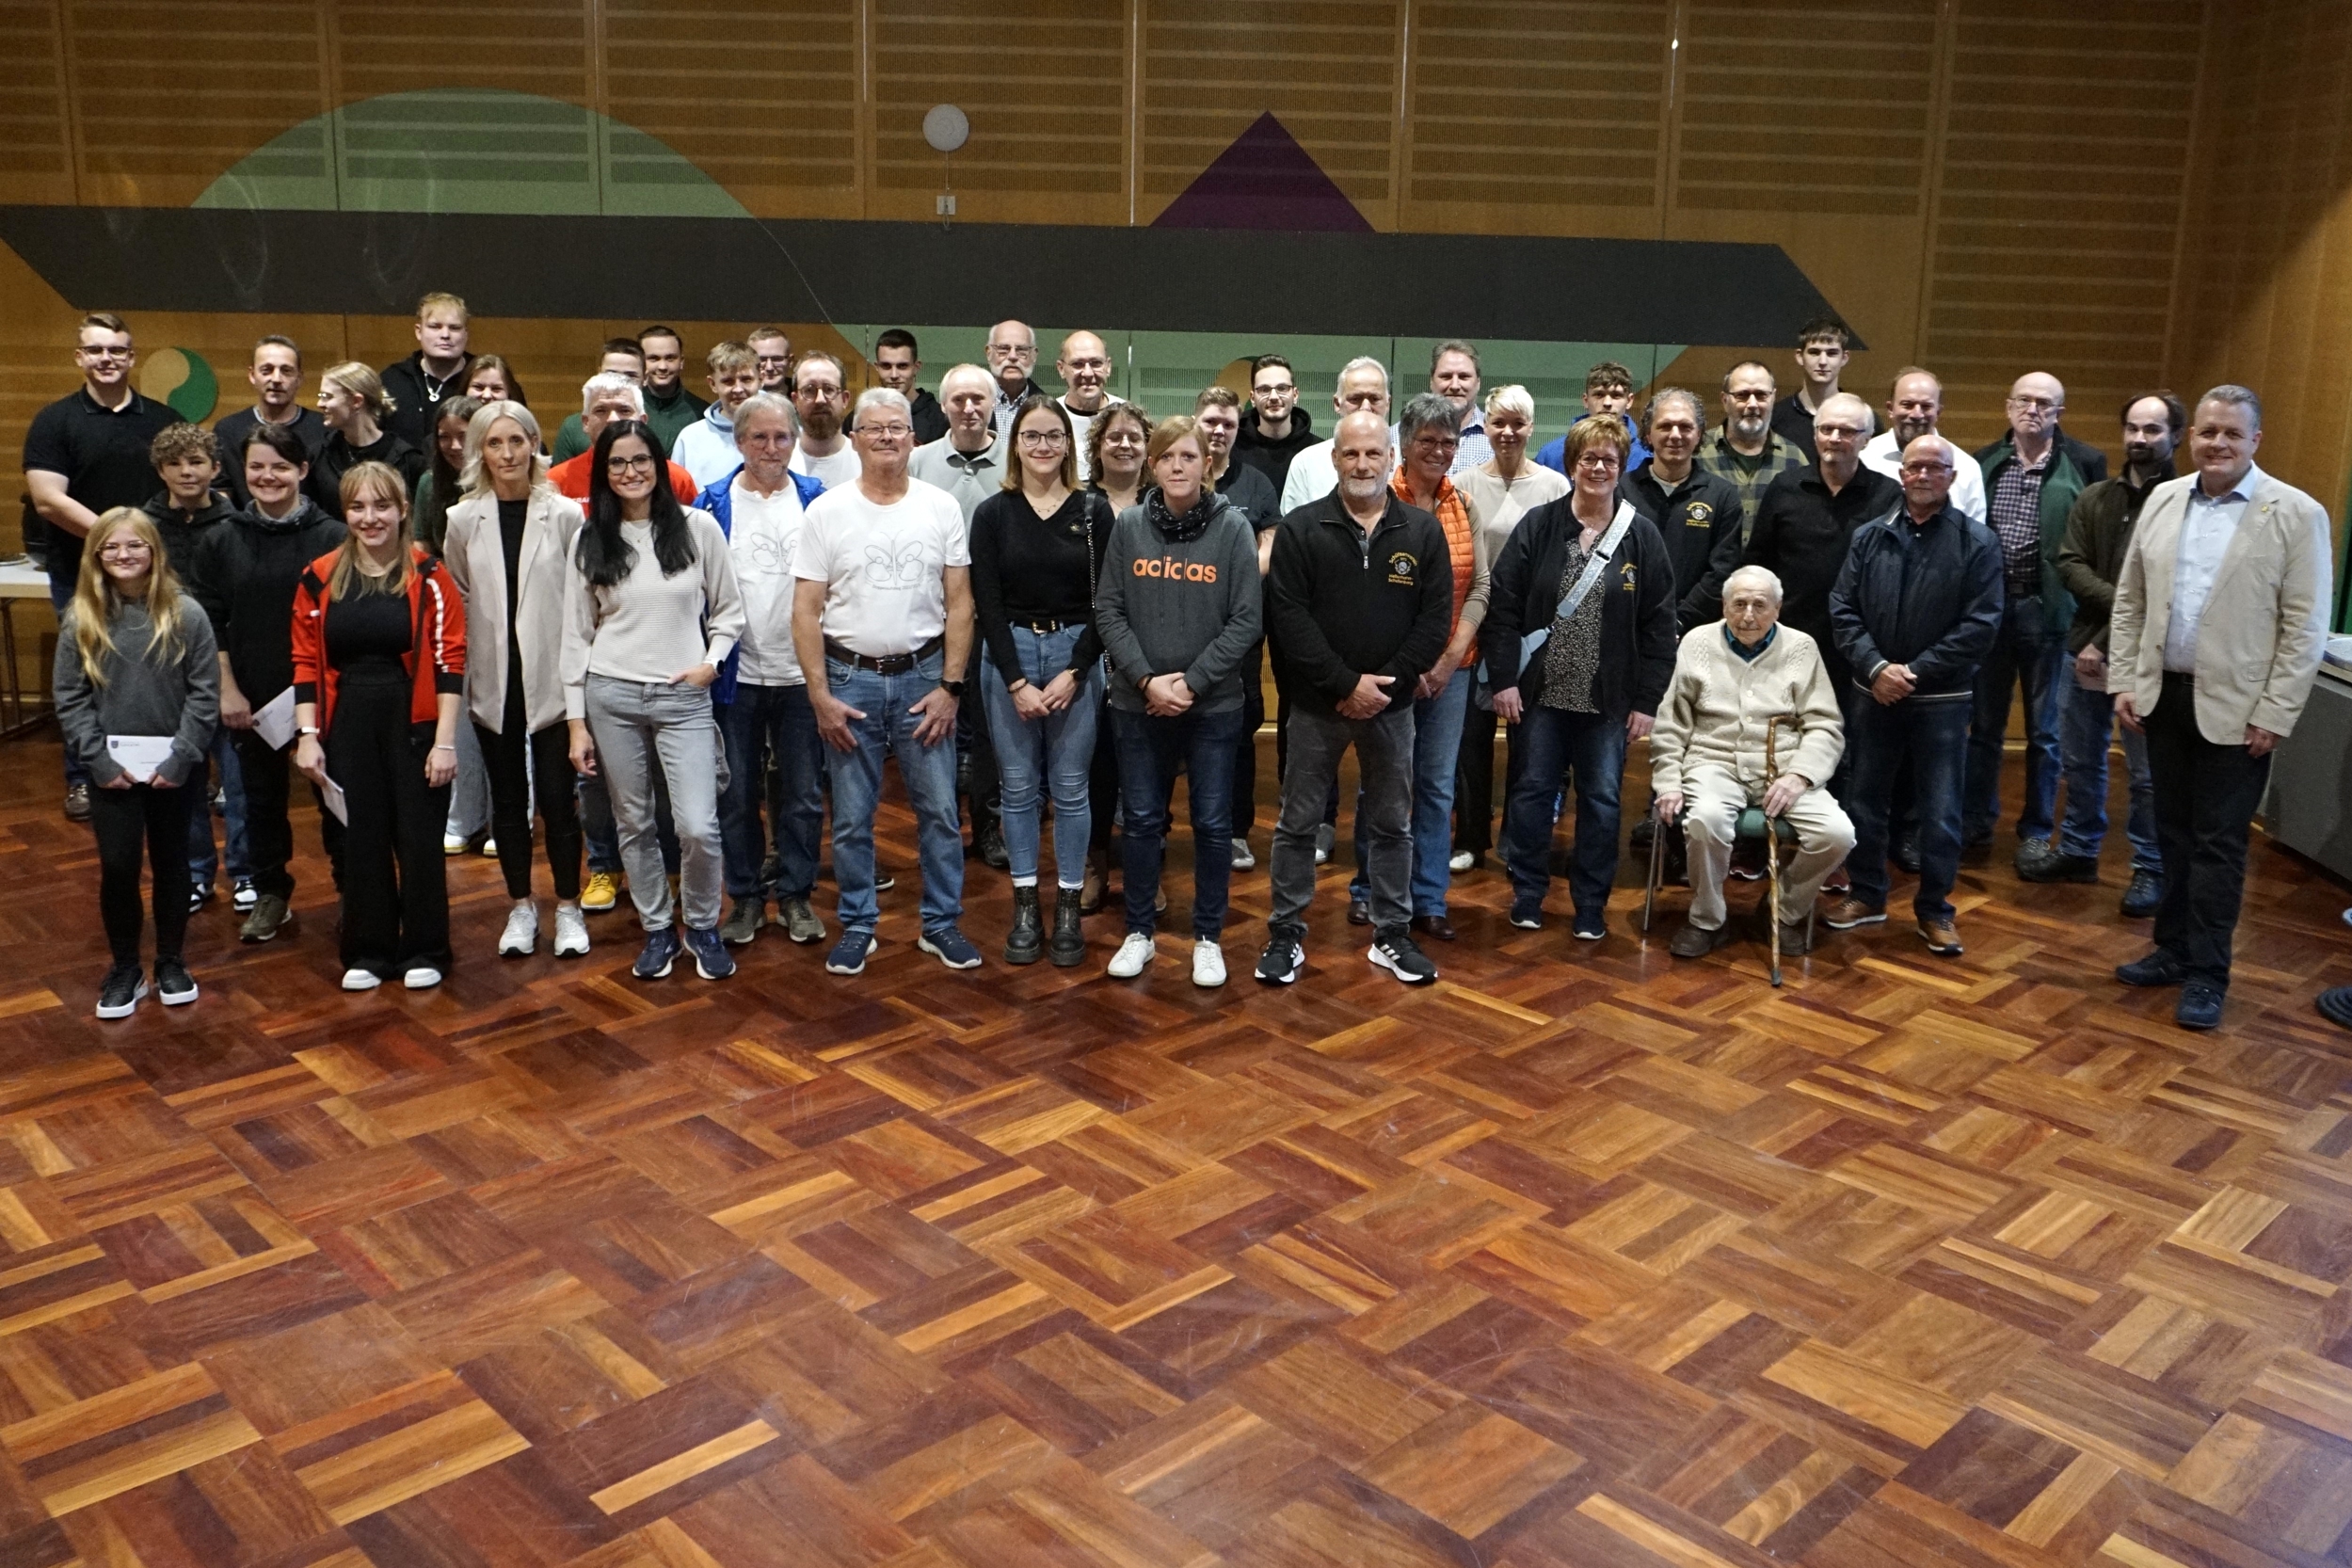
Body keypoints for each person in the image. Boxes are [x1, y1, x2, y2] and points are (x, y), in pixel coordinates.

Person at [2109, 386, 2331, 1032]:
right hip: (2162, 698)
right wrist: (2124, 677)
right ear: (2191, 437)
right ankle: (2171, 951)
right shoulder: (2162, 499)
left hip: (2238, 714)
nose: (2217, 443)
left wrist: (2275, 712)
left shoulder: (2295, 514)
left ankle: (2208, 973)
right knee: (2170, 835)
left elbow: (2303, 628)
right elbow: (2130, 601)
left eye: (2231, 434)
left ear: (2254, 440)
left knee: (2218, 846)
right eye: (2207, 432)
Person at [1258, 411, 1450, 984]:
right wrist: (1345, 685)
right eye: (1351, 455)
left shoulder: (1421, 531)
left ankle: (1392, 933)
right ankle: (1286, 934)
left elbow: (1434, 619)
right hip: (1319, 707)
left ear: (1390, 458)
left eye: (1373, 454)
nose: (1362, 465)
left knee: (1392, 824)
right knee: (1297, 824)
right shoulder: (1300, 529)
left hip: (1392, 709)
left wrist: (1381, 685)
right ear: (1335, 459)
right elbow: (1288, 619)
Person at [792, 387, 979, 974]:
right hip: (851, 681)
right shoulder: (826, 511)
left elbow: (960, 603)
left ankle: (941, 923)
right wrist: (820, 695)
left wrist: (951, 688)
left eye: (896, 428)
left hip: (925, 678)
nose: (886, 438)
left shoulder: (940, 507)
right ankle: (858, 924)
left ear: (913, 437)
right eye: (873, 429)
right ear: (855, 438)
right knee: (851, 818)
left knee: (941, 813)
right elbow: (804, 611)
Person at [563, 419, 744, 983]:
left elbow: (730, 610)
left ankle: (704, 925)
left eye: (641, 460)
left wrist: (710, 664)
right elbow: (576, 634)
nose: (630, 472)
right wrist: (576, 722)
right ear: (603, 473)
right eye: (617, 463)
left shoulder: (699, 528)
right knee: (633, 821)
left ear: (659, 465)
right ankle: (658, 929)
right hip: (611, 693)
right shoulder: (589, 536)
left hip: (682, 696)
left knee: (697, 825)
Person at [1486, 415, 1677, 939]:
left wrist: (1648, 701)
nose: (1597, 467)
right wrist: (1503, 680)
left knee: (1602, 801)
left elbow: (1660, 624)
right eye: (1588, 458)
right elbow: (1503, 608)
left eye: (1608, 460)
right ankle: (1527, 893)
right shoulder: (1539, 525)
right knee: (1530, 795)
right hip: (1540, 696)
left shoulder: (1642, 536)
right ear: (1572, 465)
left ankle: (1590, 903)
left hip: (1608, 703)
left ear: (1622, 468)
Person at [1096, 416, 1261, 985]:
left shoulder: (1233, 529)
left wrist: (1190, 684)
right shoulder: (1130, 527)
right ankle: (1139, 932)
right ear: (1153, 465)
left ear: (1206, 464)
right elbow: (1109, 611)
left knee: (1214, 825)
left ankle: (1207, 937)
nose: (1177, 466)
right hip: (1138, 704)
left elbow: (1245, 622)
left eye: (1188, 456)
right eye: (1166, 457)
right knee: (1141, 821)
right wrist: (1146, 681)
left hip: (1212, 707)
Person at [1823, 435, 2003, 956]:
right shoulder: (1870, 536)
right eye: (1914, 467)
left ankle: (1935, 910)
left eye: (1934, 468)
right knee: (1864, 801)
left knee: (1941, 809)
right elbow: (1843, 608)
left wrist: (1914, 673)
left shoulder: (1978, 543)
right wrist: (1878, 668)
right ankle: (1868, 895)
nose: (1923, 475)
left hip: (1941, 702)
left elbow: (1981, 625)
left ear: (1952, 476)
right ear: (1901, 474)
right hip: (1872, 693)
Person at [290, 463, 466, 990]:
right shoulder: (318, 576)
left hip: (414, 725)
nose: (370, 518)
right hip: (347, 725)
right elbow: (303, 660)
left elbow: (449, 661)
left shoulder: (431, 575)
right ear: (345, 513)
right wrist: (307, 736)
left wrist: (445, 743)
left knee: (418, 842)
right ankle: (368, 952)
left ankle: (426, 949)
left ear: (402, 509)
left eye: (381, 506)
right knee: (359, 840)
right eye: (358, 507)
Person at [441, 400, 592, 962]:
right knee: (508, 803)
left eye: (516, 441)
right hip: (492, 681)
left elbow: (579, 602)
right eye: (494, 443)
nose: (506, 453)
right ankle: (521, 906)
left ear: (534, 444)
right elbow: (458, 597)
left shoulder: (564, 515)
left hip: (552, 676)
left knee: (557, 799)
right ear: (479, 450)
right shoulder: (462, 518)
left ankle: (569, 907)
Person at [55, 508, 217, 1017]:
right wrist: (98, 763)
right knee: (119, 867)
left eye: (135, 546)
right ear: (97, 556)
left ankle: (170, 960)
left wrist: (183, 756)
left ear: (153, 551)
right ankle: (126, 966)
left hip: (173, 770)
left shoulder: (187, 614)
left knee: (173, 864)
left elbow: (204, 694)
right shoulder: (82, 619)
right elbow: (70, 697)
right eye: (112, 548)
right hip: (113, 773)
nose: (124, 556)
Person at [189, 424, 347, 943]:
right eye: (257, 467)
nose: (268, 477)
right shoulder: (220, 540)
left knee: (335, 798)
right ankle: (272, 893)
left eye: (280, 466)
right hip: (250, 697)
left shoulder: (334, 538)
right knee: (257, 801)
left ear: (302, 470)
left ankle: (352, 890)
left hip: (323, 696)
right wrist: (227, 689)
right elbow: (210, 619)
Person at [1338, 393, 1486, 943]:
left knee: (1436, 787)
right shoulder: (1381, 498)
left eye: (1449, 441)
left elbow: (1481, 587)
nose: (1440, 451)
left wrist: (1448, 660)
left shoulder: (1461, 504)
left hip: (1453, 670)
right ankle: (1368, 890)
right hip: (1391, 672)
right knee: (1381, 784)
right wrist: (1409, 667)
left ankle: (1427, 897)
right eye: (1428, 440)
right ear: (1405, 443)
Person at [2031, 392, 2184, 915]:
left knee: (2145, 774)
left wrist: (2109, 636)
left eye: (2153, 430)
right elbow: (2070, 563)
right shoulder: (2095, 497)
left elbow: (2169, 589)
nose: (2140, 439)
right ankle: (2077, 848)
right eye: (2133, 428)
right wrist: (2117, 614)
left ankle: (2150, 866)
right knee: (2079, 759)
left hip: (2148, 660)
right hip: (2083, 654)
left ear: (2175, 436)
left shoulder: (2186, 502)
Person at [1650, 567, 1851, 957]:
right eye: (1738, 604)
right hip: (1713, 762)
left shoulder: (1802, 648)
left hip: (1784, 767)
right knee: (1705, 819)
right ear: (1724, 606)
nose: (1748, 615)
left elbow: (1825, 725)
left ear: (1777, 609)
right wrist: (1668, 780)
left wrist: (1800, 776)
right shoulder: (1697, 642)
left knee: (1837, 834)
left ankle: (1782, 911)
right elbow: (1671, 723)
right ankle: (1707, 918)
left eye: (1760, 605)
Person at [970, 397, 1108, 967]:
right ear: (1016, 444)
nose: (1044, 446)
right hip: (1011, 657)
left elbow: (1108, 603)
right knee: (1019, 789)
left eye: (1055, 436)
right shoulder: (993, 514)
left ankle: (1069, 905)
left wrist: (1076, 670)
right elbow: (987, 603)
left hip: (1078, 655)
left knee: (1072, 789)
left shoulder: (1096, 512)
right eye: (1032, 436)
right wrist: (1016, 680)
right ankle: (1026, 903)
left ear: (1068, 446)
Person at [24, 312, 176, 822]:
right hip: (80, 575)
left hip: (155, 578)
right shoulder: (54, 420)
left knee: (161, 671)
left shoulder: (161, 420)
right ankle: (84, 777)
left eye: (116, 350)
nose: (106, 359)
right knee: (86, 676)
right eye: (96, 350)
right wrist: (118, 541)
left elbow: (180, 489)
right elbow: (47, 500)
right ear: (80, 357)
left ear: (132, 357)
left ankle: (170, 766)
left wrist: (137, 550)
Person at [700, 392, 828, 949]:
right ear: (739, 441)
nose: (772, 448)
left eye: (782, 437)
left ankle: (797, 895)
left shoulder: (819, 503)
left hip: (803, 677)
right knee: (735, 795)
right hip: (736, 679)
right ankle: (747, 897)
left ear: (795, 441)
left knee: (802, 795)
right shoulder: (711, 506)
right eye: (760, 437)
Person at [1966, 371, 2111, 859]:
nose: (2033, 410)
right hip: (1990, 612)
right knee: (1983, 728)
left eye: (2045, 403)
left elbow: (2099, 541)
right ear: (2008, 407)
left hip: (2051, 614)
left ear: (2059, 413)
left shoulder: (2086, 463)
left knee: (2045, 733)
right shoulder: (1984, 462)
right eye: (2024, 401)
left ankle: (2035, 829)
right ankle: (1976, 823)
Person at [1733, 393, 1901, 788]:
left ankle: (1842, 836)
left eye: (1847, 431)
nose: (1834, 438)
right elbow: (1757, 563)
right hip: (1790, 643)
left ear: (1866, 439)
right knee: (1784, 739)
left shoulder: (1889, 496)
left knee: (1853, 748)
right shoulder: (1785, 487)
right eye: (1826, 429)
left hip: (1860, 647)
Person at [1452, 384, 1568, 873]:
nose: (1507, 432)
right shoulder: (1462, 483)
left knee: (1530, 749)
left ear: (1531, 428)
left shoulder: (1554, 487)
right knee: (1470, 745)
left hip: (1532, 637)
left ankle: (1519, 844)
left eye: (1517, 423)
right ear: (1487, 426)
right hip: (1474, 628)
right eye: (1499, 422)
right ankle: (1470, 839)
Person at [140, 424, 247, 914]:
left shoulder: (235, 523)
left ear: (216, 469)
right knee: (184, 775)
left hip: (227, 663)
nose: (187, 471)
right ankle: (196, 873)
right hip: (166, 664)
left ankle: (246, 872)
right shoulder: (144, 524)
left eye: (197, 462)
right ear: (161, 469)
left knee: (237, 775)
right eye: (176, 463)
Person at [1192, 387, 1279, 870]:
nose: (1219, 431)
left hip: (1241, 630)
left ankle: (1236, 831)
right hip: (1182, 630)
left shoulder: (1257, 484)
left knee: (1241, 728)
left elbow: (1268, 547)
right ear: (1196, 422)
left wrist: (1226, 585)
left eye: (1227, 423)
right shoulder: (1177, 473)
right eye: (1210, 421)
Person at [1079, 403, 1156, 910]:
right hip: (1089, 651)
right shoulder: (1077, 504)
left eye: (1134, 436)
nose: (1124, 444)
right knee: (1096, 767)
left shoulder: (1164, 502)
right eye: (1114, 437)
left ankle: (1148, 869)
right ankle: (1095, 863)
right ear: (1097, 446)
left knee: (1149, 770)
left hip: (1151, 655)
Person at [1624, 387, 1744, 632]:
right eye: (1665, 426)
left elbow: (1721, 571)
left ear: (1699, 434)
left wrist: (1680, 621)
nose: (1675, 435)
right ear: (1648, 433)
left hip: (1696, 631)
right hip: (1627, 628)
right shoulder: (1620, 491)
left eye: (1686, 427)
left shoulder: (1722, 496)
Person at [1696, 361, 1808, 540]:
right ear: (1725, 400)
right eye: (1742, 395)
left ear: (1773, 398)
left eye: (1761, 395)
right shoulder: (1698, 453)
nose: (1753, 404)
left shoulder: (1794, 458)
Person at [216, 335, 328, 511]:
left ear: (299, 378)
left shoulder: (324, 428)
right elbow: (221, 493)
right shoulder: (227, 430)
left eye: (286, 371)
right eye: (267, 370)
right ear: (252, 375)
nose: (276, 379)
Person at [1861, 369, 1987, 523]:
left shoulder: (1966, 468)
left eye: (1926, 406)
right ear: (1890, 409)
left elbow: (1973, 538)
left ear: (1938, 412)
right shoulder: (1864, 457)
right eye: (1907, 405)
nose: (1916, 414)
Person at [548, 376, 696, 502]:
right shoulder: (557, 481)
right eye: (601, 410)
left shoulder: (676, 478)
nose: (612, 419)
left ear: (642, 421)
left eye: (624, 410)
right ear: (586, 422)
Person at [309, 362, 425, 519]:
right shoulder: (318, 455)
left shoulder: (409, 460)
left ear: (356, 401)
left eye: (327, 397)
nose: (320, 404)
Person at [1280, 358, 1390, 512]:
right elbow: (1294, 530)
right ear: (1337, 404)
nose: (1365, 407)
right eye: (1355, 399)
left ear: (1388, 404)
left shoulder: (1405, 463)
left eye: (1374, 399)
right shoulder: (1306, 464)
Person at [906, 364, 1006, 523]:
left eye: (977, 398)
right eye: (958, 400)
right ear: (943, 405)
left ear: (993, 402)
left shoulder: (1017, 463)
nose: (968, 409)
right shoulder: (916, 462)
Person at [378, 291, 473, 454]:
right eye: (435, 327)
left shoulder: (483, 379)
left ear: (465, 334)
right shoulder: (391, 380)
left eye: (454, 328)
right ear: (418, 331)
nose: (445, 335)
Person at [670, 342, 764, 492]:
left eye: (746, 379)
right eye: (728, 381)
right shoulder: (689, 439)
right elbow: (676, 498)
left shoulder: (782, 434)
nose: (738, 389)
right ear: (713, 384)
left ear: (761, 379)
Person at [1534, 362, 1651, 476]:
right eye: (1599, 395)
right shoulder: (1551, 455)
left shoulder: (1646, 458)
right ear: (1586, 400)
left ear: (1629, 401)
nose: (1607, 403)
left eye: (1616, 395)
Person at [1769, 317, 1851, 461]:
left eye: (1832, 353)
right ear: (1800, 356)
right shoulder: (1775, 418)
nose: (1823, 362)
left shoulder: (1862, 418)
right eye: (1814, 352)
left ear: (1844, 358)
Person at [1233, 354, 1318, 495]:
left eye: (1282, 388)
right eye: (1264, 389)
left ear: (1295, 395)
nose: (1273, 397)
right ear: (1253, 398)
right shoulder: (1233, 450)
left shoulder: (1316, 451)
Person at [551, 340, 648, 460]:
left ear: (645, 378)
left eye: (630, 376)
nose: (620, 381)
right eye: (611, 374)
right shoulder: (572, 426)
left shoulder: (648, 421)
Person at [412, 395, 484, 560]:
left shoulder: (500, 480)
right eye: (444, 437)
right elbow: (422, 543)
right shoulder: (429, 482)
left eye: (463, 436)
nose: (455, 446)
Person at [1054, 331, 1122, 480]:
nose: (1088, 373)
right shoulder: (1049, 416)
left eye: (1096, 363)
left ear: (1108, 367)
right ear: (1061, 369)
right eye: (1077, 364)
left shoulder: (1128, 417)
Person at [789, 352, 860, 488]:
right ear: (795, 400)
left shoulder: (866, 462)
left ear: (845, 399)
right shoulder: (781, 462)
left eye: (829, 389)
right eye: (809, 390)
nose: (820, 399)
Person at [635, 325, 709, 451]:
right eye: (654, 358)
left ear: (681, 362)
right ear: (640, 362)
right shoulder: (626, 408)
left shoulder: (702, 413)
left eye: (670, 358)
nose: (663, 366)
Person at [870, 328, 948, 444]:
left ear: (916, 367)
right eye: (886, 366)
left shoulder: (940, 420)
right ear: (877, 367)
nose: (894, 375)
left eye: (902, 366)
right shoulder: (863, 415)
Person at [1429, 341, 1490, 472]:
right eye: (1446, 376)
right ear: (1431, 381)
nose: (1455, 386)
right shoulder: (1398, 436)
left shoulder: (1497, 438)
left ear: (1478, 383)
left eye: (1463, 377)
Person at [984, 321, 1046, 434]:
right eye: (1003, 349)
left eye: (1021, 350)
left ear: (1034, 355)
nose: (1012, 356)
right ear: (989, 353)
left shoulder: (1047, 407)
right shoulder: (973, 403)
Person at [749, 328, 794, 396]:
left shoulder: (804, 395)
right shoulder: (739, 397)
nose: (769, 368)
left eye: (777, 359)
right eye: (761, 360)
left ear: (790, 361)